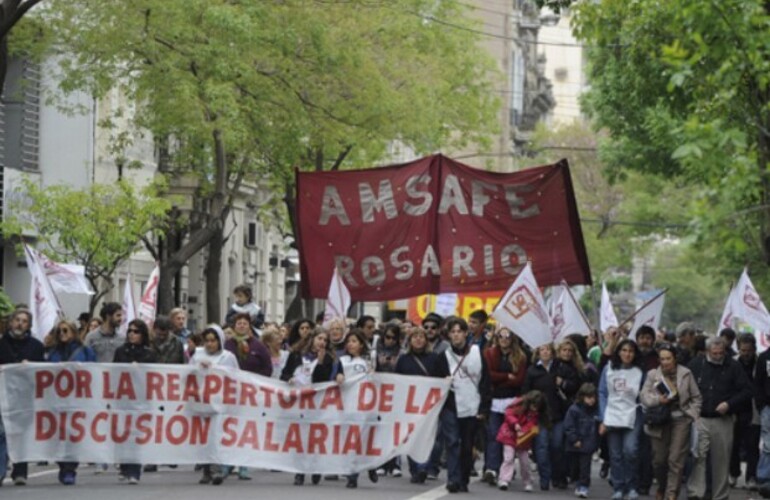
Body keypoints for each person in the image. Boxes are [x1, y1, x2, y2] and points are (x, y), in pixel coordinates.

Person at [687, 336, 753, 500]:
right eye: (714, 353)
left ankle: (720, 495)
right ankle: (696, 492)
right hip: (699, 418)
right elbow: (685, 387)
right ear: (707, 351)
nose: (718, 356)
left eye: (721, 353)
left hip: (723, 419)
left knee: (721, 459)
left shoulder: (733, 365)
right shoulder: (696, 365)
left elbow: (746, 391)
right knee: (698, 456)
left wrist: (729, 404)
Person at [640, 343, 701, 500]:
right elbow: (644, 396)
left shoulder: (686, 373)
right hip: (660, 420)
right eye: (662, 359)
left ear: (675, 359)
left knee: (676, 459)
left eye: (668, 358)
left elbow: (696, 397)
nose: (665, 362)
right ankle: (662, 486)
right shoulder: (653, 374)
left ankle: (671, 494)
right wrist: (658, 400)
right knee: (659, 460)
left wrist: (693, 415)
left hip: (681, 419)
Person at [281, 328, 337, 486]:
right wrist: (289, 379)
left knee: (315, 438)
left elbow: (323, 380)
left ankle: (315, 468)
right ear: (312, 339)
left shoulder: (328, 359)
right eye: (320, 338)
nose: (322, 342)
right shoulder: (296, 355)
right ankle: (299, 472)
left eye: (325, 340)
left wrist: (320, 361)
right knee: (300, 438)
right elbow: (284, 374)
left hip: (317, 403)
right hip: (299, 403)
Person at [441, 316, 491, 493]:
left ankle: (463, 479)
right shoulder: (444, 356)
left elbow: (485, 381)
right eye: (452, 332)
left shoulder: (477, 353)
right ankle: (453, 479)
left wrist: (484, 408)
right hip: (450, 404)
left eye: (459, 331)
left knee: (467, 444)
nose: (456, 335)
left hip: (471, 405)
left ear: (465, 333)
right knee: (453, 441)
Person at [395, 326, 450, 483]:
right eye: (415, 336)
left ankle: (426, 467)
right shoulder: (403, 360)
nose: (418, 339)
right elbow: (396, 380)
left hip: (431, 406)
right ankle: (416, 469)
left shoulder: (436, 358)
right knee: (412, 437)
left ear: (426, 340)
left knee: (432, 438)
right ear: (410, 340)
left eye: (421, 336)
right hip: (410, 406)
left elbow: (443, 376)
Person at [47, 319, 96, 484]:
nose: (62, 334)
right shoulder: (52, 353)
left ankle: (70, 469)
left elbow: (94, 371)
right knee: (58, 435)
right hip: (57, 400)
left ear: (74, 332)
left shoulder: (86, 351)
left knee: (73, 435)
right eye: (59, 331)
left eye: (66, 330)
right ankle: (62, 465)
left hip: (78, 399)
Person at [190, 325, 239, 485]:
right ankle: (206, 471)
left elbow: (235, 377)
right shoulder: (197, 355)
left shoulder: (228, 357)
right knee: (203, 438)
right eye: (207, 341)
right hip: (201, 402)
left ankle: (217, 470)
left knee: (216, 436)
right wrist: (198, 369)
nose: (210, 344)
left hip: (220, 403)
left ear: (220, 341)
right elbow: (186, 374)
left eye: (213, 341)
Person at [0, 309, 44, 486]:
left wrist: (32, 366)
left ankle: (20, 471)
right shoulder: (1, 343)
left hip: (25, 396)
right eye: (17, 320)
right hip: (3, 394)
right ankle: (1, 470)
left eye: (24, 321)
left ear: (29, 325)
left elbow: (43, 372)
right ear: (10, 323)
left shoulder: (36, 346)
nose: (20, 324)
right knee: (2, 433)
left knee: (22, 434)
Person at [113, 319, 158, 484]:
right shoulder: (120, 351)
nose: (132, 334)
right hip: (123, 398)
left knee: (136, 435)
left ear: (143, 334)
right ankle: (124, 467)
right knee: (123, 434)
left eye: (136, 331)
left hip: (141, 399)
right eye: (130, 331)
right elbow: (113, 372)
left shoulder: (149, 353)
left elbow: (154, 377)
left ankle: (134, 471)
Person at [599, 339, 644, 500]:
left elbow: (645, 393)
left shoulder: (640, 371)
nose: (627, 354)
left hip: (633, 414)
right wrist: (603, 418)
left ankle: (632, 485)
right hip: (612, 415)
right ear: (619, 352)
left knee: (630, 450)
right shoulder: (609, 368)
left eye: (631, 351)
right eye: (624, 350)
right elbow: (602, 392)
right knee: (615, 454)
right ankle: (618, 487)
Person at [482, 325, 527, 486]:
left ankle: (505, 469)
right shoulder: (490, 353)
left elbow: (519, 380)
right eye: (501, 336)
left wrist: (501, 379)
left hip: (512, 402)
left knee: (508, 438)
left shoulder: (520, 356)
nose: (504, 340)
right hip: (495, 401)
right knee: (494, 435)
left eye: (507, 337)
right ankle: (492, 469)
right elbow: (489, 375)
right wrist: (506, 376)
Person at [335, 329, 379, 488]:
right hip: (349, 405)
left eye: (354, 341)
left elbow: (380, 378)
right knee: (352, 440)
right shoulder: (343, 361)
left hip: (366, 406)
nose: (350, 344)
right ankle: (352, 475)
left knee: (365, 439)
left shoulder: (369, 360)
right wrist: (338, 376)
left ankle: (370, 465)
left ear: (361, 344)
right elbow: (337, 375)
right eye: (349, 341)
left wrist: (374, 373)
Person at [145, 315, 185, 472]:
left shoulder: (177, 343)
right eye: (158, 333)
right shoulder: (148, 341)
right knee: (153, 424)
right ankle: (152, 459)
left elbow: (182, 364)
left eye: (164, 333)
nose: (161, 336)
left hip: (171, 388)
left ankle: (170, 455)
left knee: (170, 423)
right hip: (152, 387)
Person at [496, 390, 544, 492]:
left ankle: (527, 481)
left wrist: (524, 431)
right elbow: (509, 414)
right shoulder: (518, 404)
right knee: (508, 458)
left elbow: (531, 424)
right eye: (533, 406)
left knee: (525, 462)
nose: (534, 409)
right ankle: (504, 479)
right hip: (509, 434)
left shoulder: (534, 414)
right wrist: (516, 424)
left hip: (523, 438)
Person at [730, 333, 759, 490]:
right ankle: (733, 473)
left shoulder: (760, 362)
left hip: (753, 410)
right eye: (743, 350)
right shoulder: (732, 363)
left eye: (748, 350)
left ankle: (751, 477)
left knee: (752, 446)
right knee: (733, 444)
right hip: (735, 410)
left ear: (754, 349)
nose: (745, 353)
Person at [564, 383, 600, 498]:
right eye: (589, 398)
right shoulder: (574, 409)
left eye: (593, 397)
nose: (591, 401)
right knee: (575, 467)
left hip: (588, 444)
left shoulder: (596, 411)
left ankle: (583, 486)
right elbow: (569, 426)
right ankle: (577, 482)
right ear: (582, 397)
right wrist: (574, 439)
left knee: (585, 467)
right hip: (575, 444)